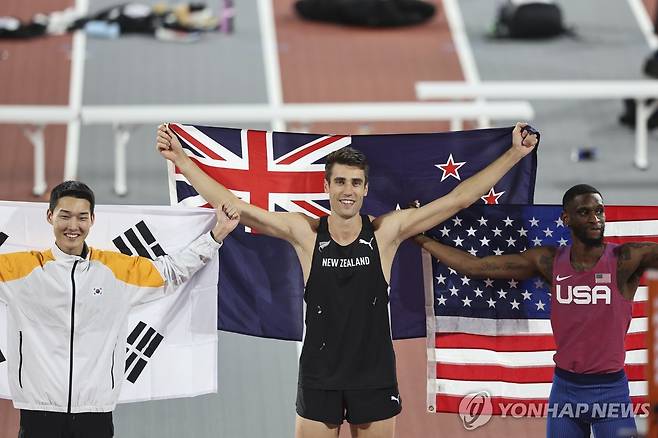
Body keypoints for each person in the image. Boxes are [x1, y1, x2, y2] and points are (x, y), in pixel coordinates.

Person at [156, 122, 538, 438]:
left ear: (366, 189)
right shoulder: (305, 233)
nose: (347, 191)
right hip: (319, 373)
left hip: (373, 374)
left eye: (355, 183)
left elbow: (456, 199)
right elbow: (237, 208)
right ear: (326, 187)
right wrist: (181, 160)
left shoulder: (386, 232)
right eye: (340, 182)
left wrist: (515, 154)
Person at [412, 184, 658, 438]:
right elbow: (476, 267)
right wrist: (421, 238)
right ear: (566, 218)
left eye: (600, 211)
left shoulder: (626, 259)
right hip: (566, 392)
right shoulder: (549, 261)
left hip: (611, 391)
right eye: (584, 212)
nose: (595, 219)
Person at [0, 181, 239, 438]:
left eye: (82, 217)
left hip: (95, 412)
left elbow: (170, 272)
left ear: (92, 220)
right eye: (64, 216)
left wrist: (216, 235)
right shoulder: (20, 269)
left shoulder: (115, 271)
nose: (73, 226)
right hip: (38, 411)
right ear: (50, 217)